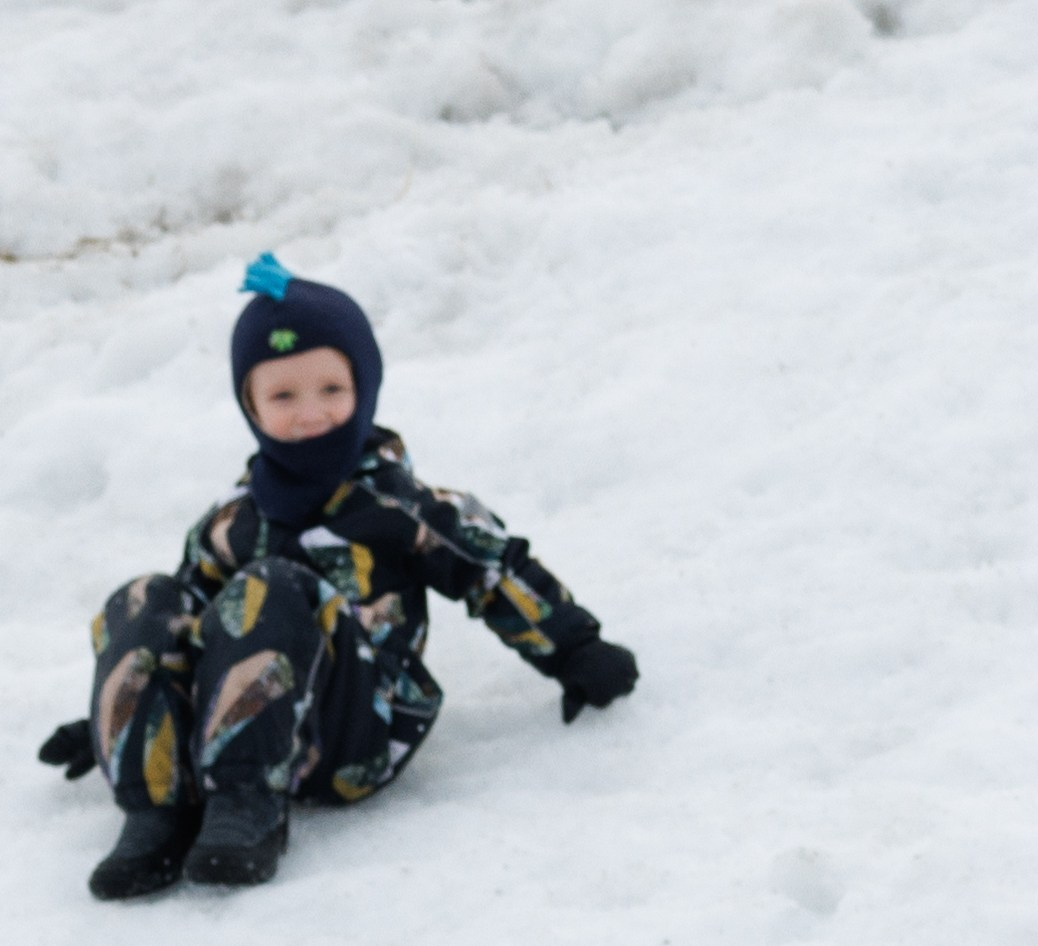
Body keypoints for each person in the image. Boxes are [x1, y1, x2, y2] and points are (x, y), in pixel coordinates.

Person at [39, 255, 637, 899]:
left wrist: (576, 649)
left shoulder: (397, 505)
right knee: (146, 595)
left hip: (356, 733)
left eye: (331, 389)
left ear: (364, 387)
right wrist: (118, 711)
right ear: (251, 406)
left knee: (274, 585)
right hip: (238, 728)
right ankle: (155, 808)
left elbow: (491, 572)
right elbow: (186, 628)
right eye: (283, 396)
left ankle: (248, 809)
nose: (310, 413)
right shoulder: (233, 519)